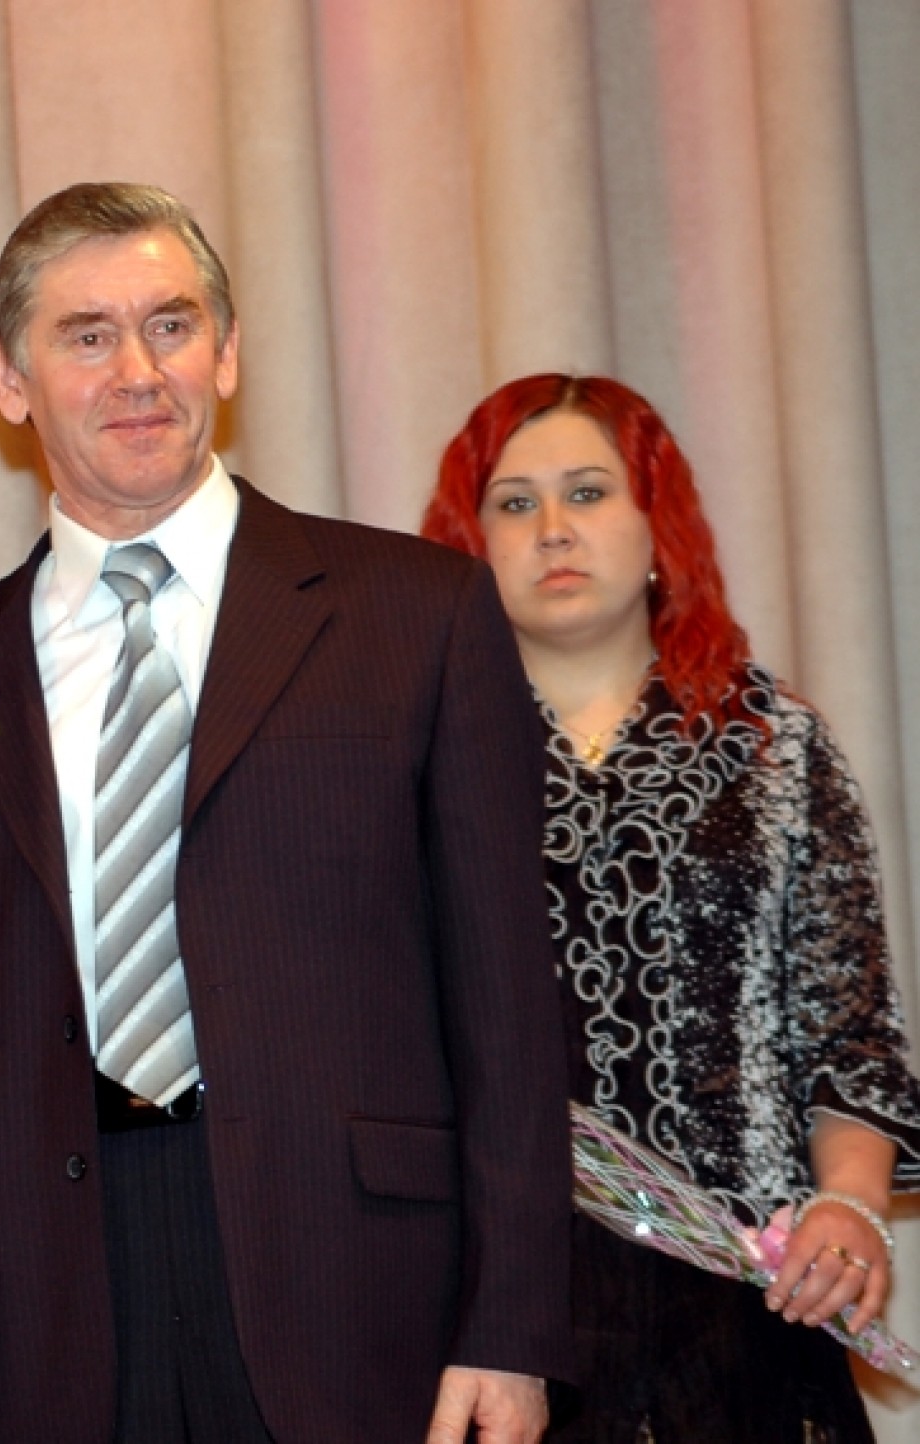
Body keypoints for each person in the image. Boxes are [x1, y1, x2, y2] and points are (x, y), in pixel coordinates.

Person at [0, 182, 574, 1443]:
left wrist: (511, 1325)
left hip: (357, 1289)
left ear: (228, 352)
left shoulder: (415, 614)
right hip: (49, 1309)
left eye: (172, 325)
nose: (138, 371)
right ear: (8, 379)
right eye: (87, 335)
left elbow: (509, 1003)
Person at [422, 372, 920, 1441]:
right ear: (469, 544)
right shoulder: (416, 763)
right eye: (514, 503)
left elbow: (853, 1036)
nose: (553, 530)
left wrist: (849, 1206)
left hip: (745, 1309)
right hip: (504, 1316)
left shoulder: (774, 746)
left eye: (588, 492)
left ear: (659, 526)